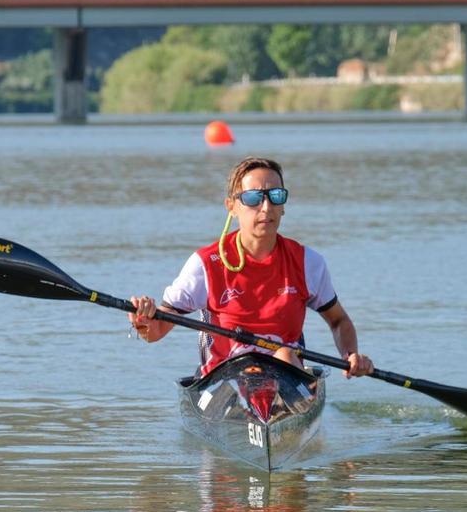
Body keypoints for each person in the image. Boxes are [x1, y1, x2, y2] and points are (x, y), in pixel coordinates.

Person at [128, 156, 374, 379]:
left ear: (283, 206)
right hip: (225, 379)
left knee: (286, 355)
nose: (266, 207)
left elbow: (338, 320)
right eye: (254, 198)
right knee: (271, 360)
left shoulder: (308, 262)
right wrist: (143, 321)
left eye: (275, 196)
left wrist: (350, 354)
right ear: (232, 206)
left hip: (287, 375)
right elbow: (156, 331)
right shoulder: (205, 264)